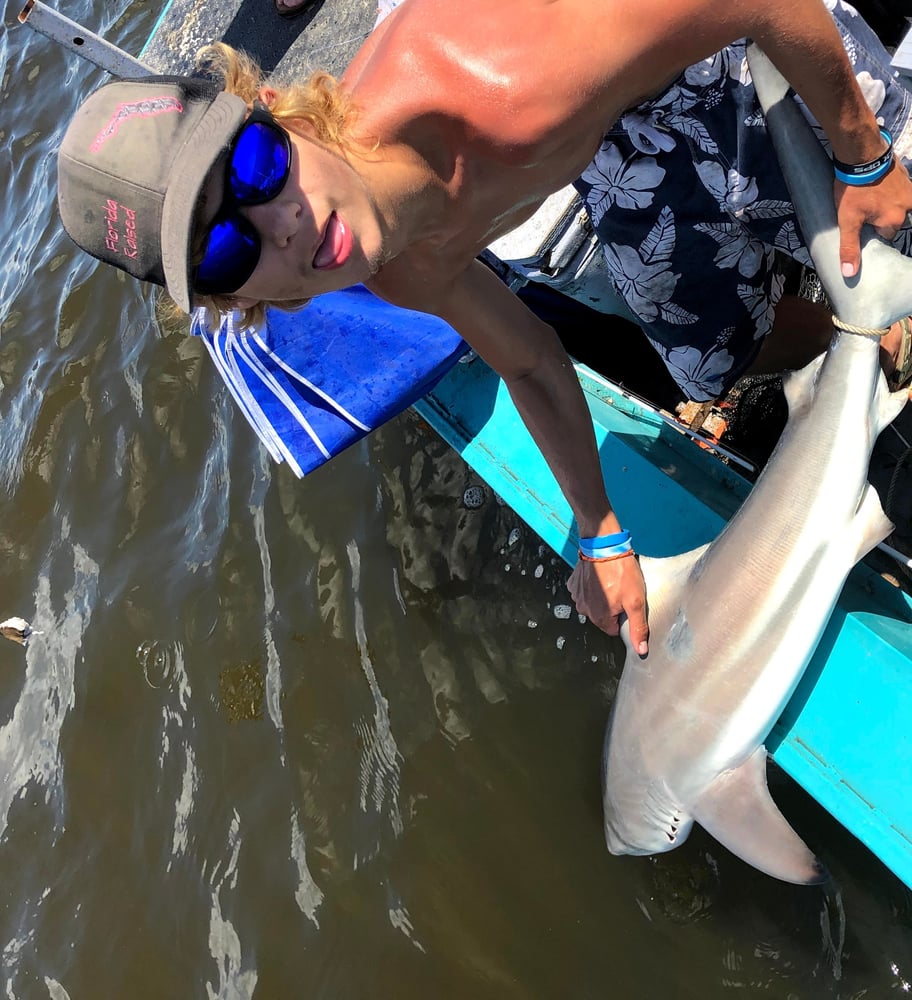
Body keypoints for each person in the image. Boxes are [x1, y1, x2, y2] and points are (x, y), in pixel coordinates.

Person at [56, 0, 912, 656]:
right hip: (608, 122)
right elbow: (532, 362)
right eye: (230, 248)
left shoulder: (498, 83)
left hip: (715, 30)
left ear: (276, 109)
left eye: (255, 163)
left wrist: (861, 152)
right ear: (237, 302)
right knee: (707, 357)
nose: (279, 224)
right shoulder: (390, 262)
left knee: (880, 218)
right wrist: (600, 532)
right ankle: (870, 335)